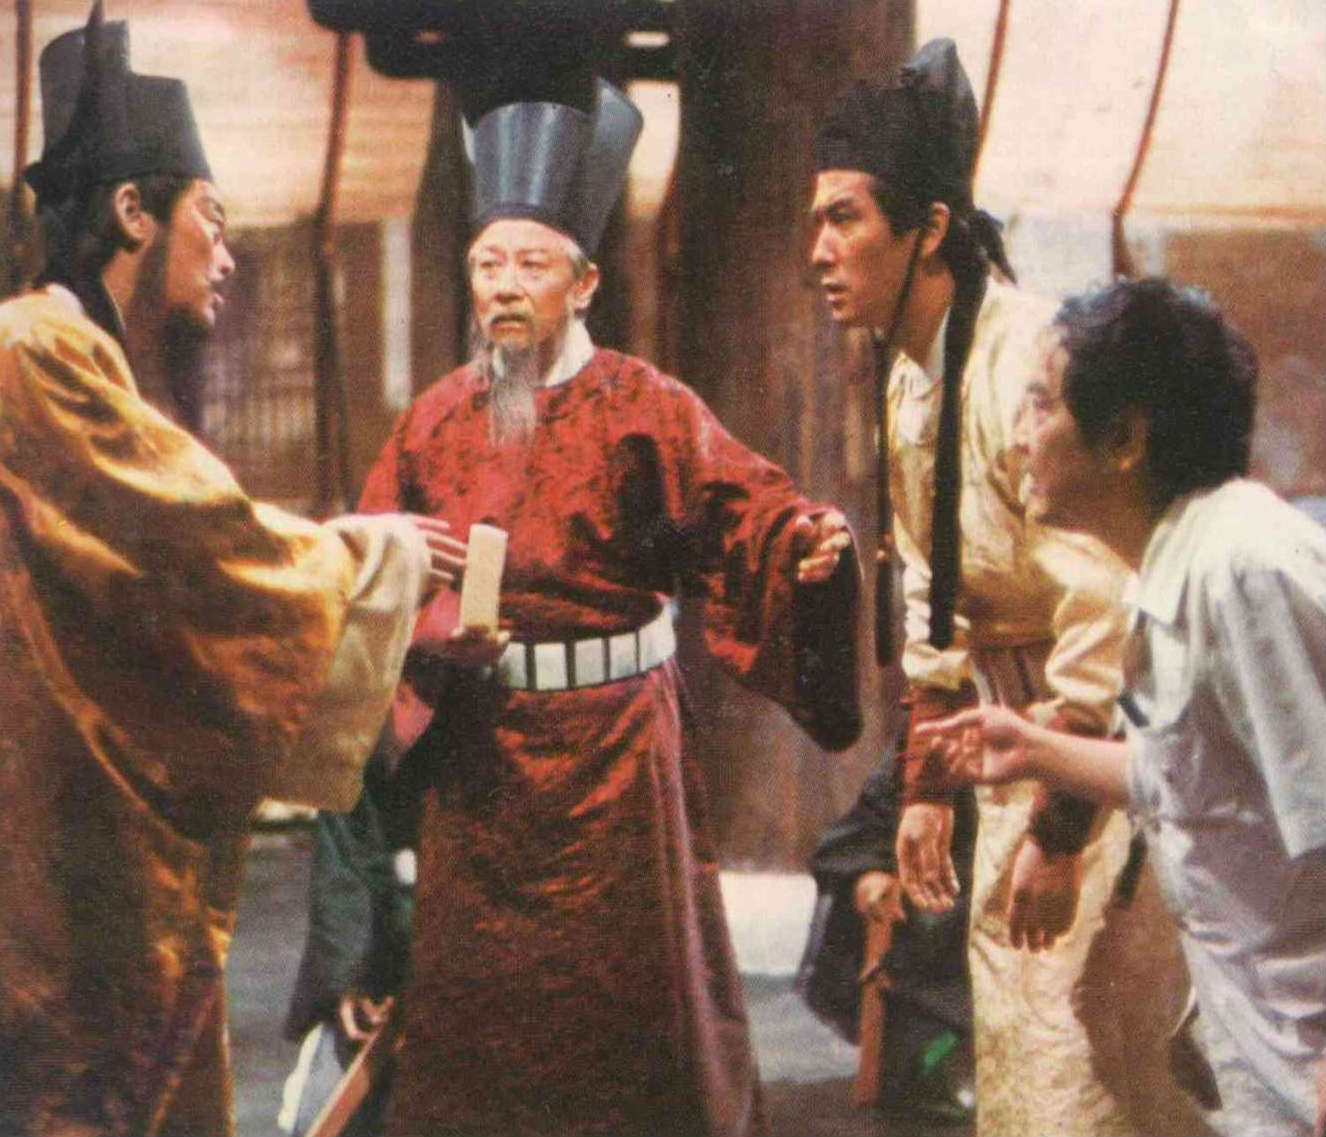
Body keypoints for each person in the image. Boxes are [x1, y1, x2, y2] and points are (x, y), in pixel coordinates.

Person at [354, 68, 862, 1137]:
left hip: (621, 761)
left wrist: (803, 544)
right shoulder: (433, 422)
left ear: (583, 283)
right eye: (487, 263)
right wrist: (439, 633)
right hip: (484, 760)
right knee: (483, 1024)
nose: (504, 286)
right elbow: (371, 569)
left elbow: (747, 510)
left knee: (637, 1019)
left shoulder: (647, 408)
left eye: (531, 264)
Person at [0, 11, 460, 1135]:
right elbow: (200, 549)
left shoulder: (66, 356)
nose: (227, 252)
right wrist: (380, 555)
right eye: (212, 216)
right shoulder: (35, 351)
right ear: (132, 212)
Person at [807, 38, 1205, 1135]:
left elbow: (1105, 605)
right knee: (1023, 1071)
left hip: (1095, 761)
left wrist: (1062, 832)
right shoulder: (911, 376)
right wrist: (926, 783)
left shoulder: (1031, 365)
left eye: (844, 218)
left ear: (929, 228)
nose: (819, 250)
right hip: (1006, 758)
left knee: (1092, 1073)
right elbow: (931, 595)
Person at [920, 277, 1326, 1137]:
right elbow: (1194, 780)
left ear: (1125, 440)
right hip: (1264, 1037)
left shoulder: (1240, 568)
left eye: (1042, 405)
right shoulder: (1177, 566)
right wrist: (1033, 748)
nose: (1021, 436)